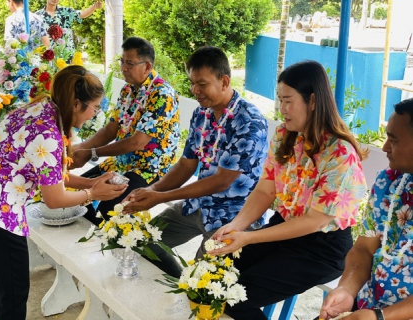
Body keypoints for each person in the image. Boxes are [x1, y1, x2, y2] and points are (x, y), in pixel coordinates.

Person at [206, 60, 368, 320]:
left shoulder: (339, 153)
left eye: (288, 100)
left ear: (313, 101)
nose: (282, 109)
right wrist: (237, 226)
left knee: (234, 296)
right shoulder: (285, 135)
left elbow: (315, 221)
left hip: (321, 248)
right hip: (283, 230)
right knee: (211, 272)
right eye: (280, 100)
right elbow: (265, 191)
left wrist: (249, 237)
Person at [0, 65, 127, 320]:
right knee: (14, 295)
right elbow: (54, 199)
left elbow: (51, 178)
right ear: (76, 104)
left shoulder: (39, 108)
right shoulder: (49, 134)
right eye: (95, 107)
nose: (94, 114)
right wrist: (94, 195)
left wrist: (93, 183)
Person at [123, 46, 269, 277]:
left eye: (202, 84)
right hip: (198, 205)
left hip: (234, 217)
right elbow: (186, 164)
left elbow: (222, 182)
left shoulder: (249, 121)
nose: (194, 91)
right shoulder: (203, 113)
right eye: (192, 83)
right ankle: (177, 281)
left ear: (224, 81)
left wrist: (160, 198)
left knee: (200, 284)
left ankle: (185, 287)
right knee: (143, 243)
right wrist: (150, 191)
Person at [319, 98, 413, 320]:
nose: (385, 147)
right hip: (368, 306)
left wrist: (379, 316)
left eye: (394, 140)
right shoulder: (389, 183)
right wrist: (347, 290)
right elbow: (364, 248)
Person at [70, 36, 180, 225]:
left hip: (149, 169)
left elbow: (137, 142)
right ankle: (89, 242)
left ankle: (105, 244)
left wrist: (91, 153)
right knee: (77, 194)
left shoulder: (162, 94)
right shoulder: (128, 90)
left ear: (147, 66)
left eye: (130, 63)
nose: (123, 68)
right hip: (122, 164)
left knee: (111, 208)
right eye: (122, 61)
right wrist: (78, 148)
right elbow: (110, 129)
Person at [36, 0, 102, 55]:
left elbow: (82, 14)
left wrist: (94, 7)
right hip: (47, 54)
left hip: (66, 53)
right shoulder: (37, 15)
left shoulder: (66, 11)